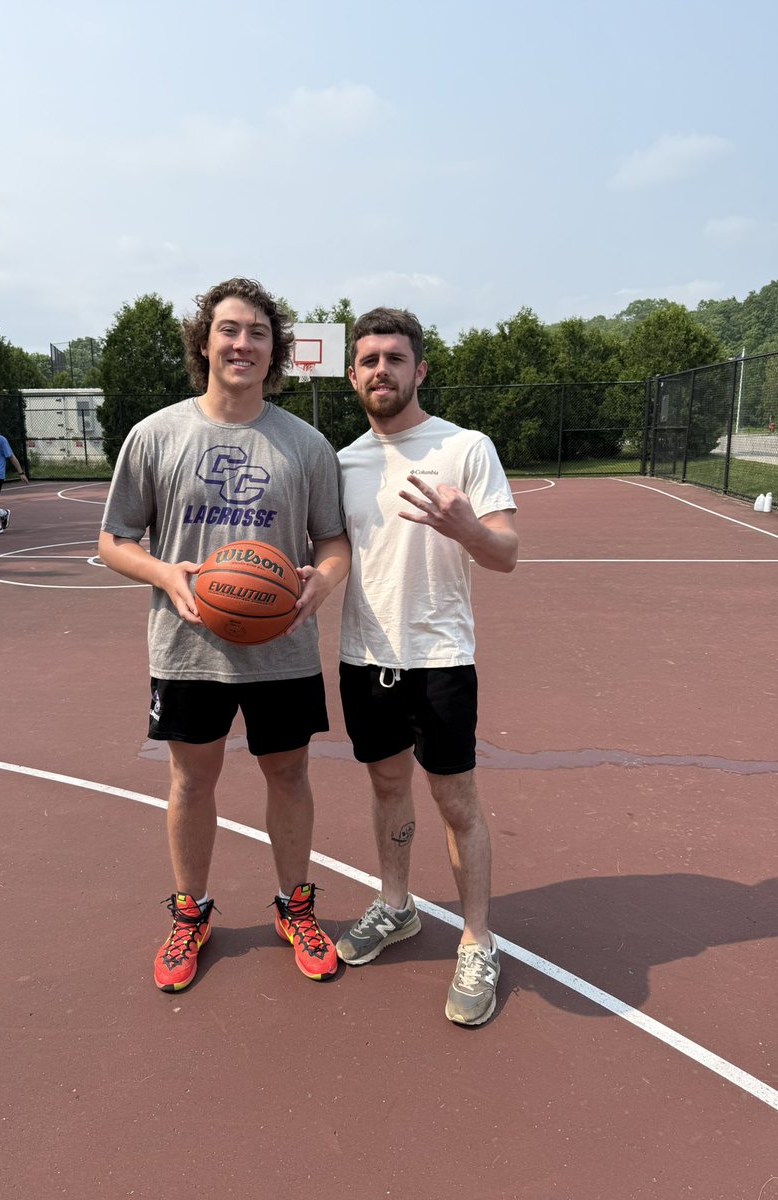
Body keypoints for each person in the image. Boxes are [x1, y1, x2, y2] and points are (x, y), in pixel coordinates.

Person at [98, 278, 350, 993]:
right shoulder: (157, 435)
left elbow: (334, 543)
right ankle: (191, 913)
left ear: (277, 352)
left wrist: (320, 584)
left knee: (291, 775)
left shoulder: (306, 445)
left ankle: (294, 907)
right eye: (230, 330)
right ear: (204, 342)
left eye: (258, 333)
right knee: (191, 779)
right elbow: (115, 540)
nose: (243, 344)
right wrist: (166, 575)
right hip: (188, 647)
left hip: (282, 647)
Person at [335, 307, 518, 1026]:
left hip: (439, 658)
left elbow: (506, 554)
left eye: (395, 357)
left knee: (455, 801)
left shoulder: (465, 448)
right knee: (387, 790)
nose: (382, 369)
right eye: (370, 359)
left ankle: (478, 938)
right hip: (363, 656)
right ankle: (396, 905)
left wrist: (464, 525)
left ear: (420, 369)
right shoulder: (342, 462)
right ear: (353, 374)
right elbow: (335, 557)